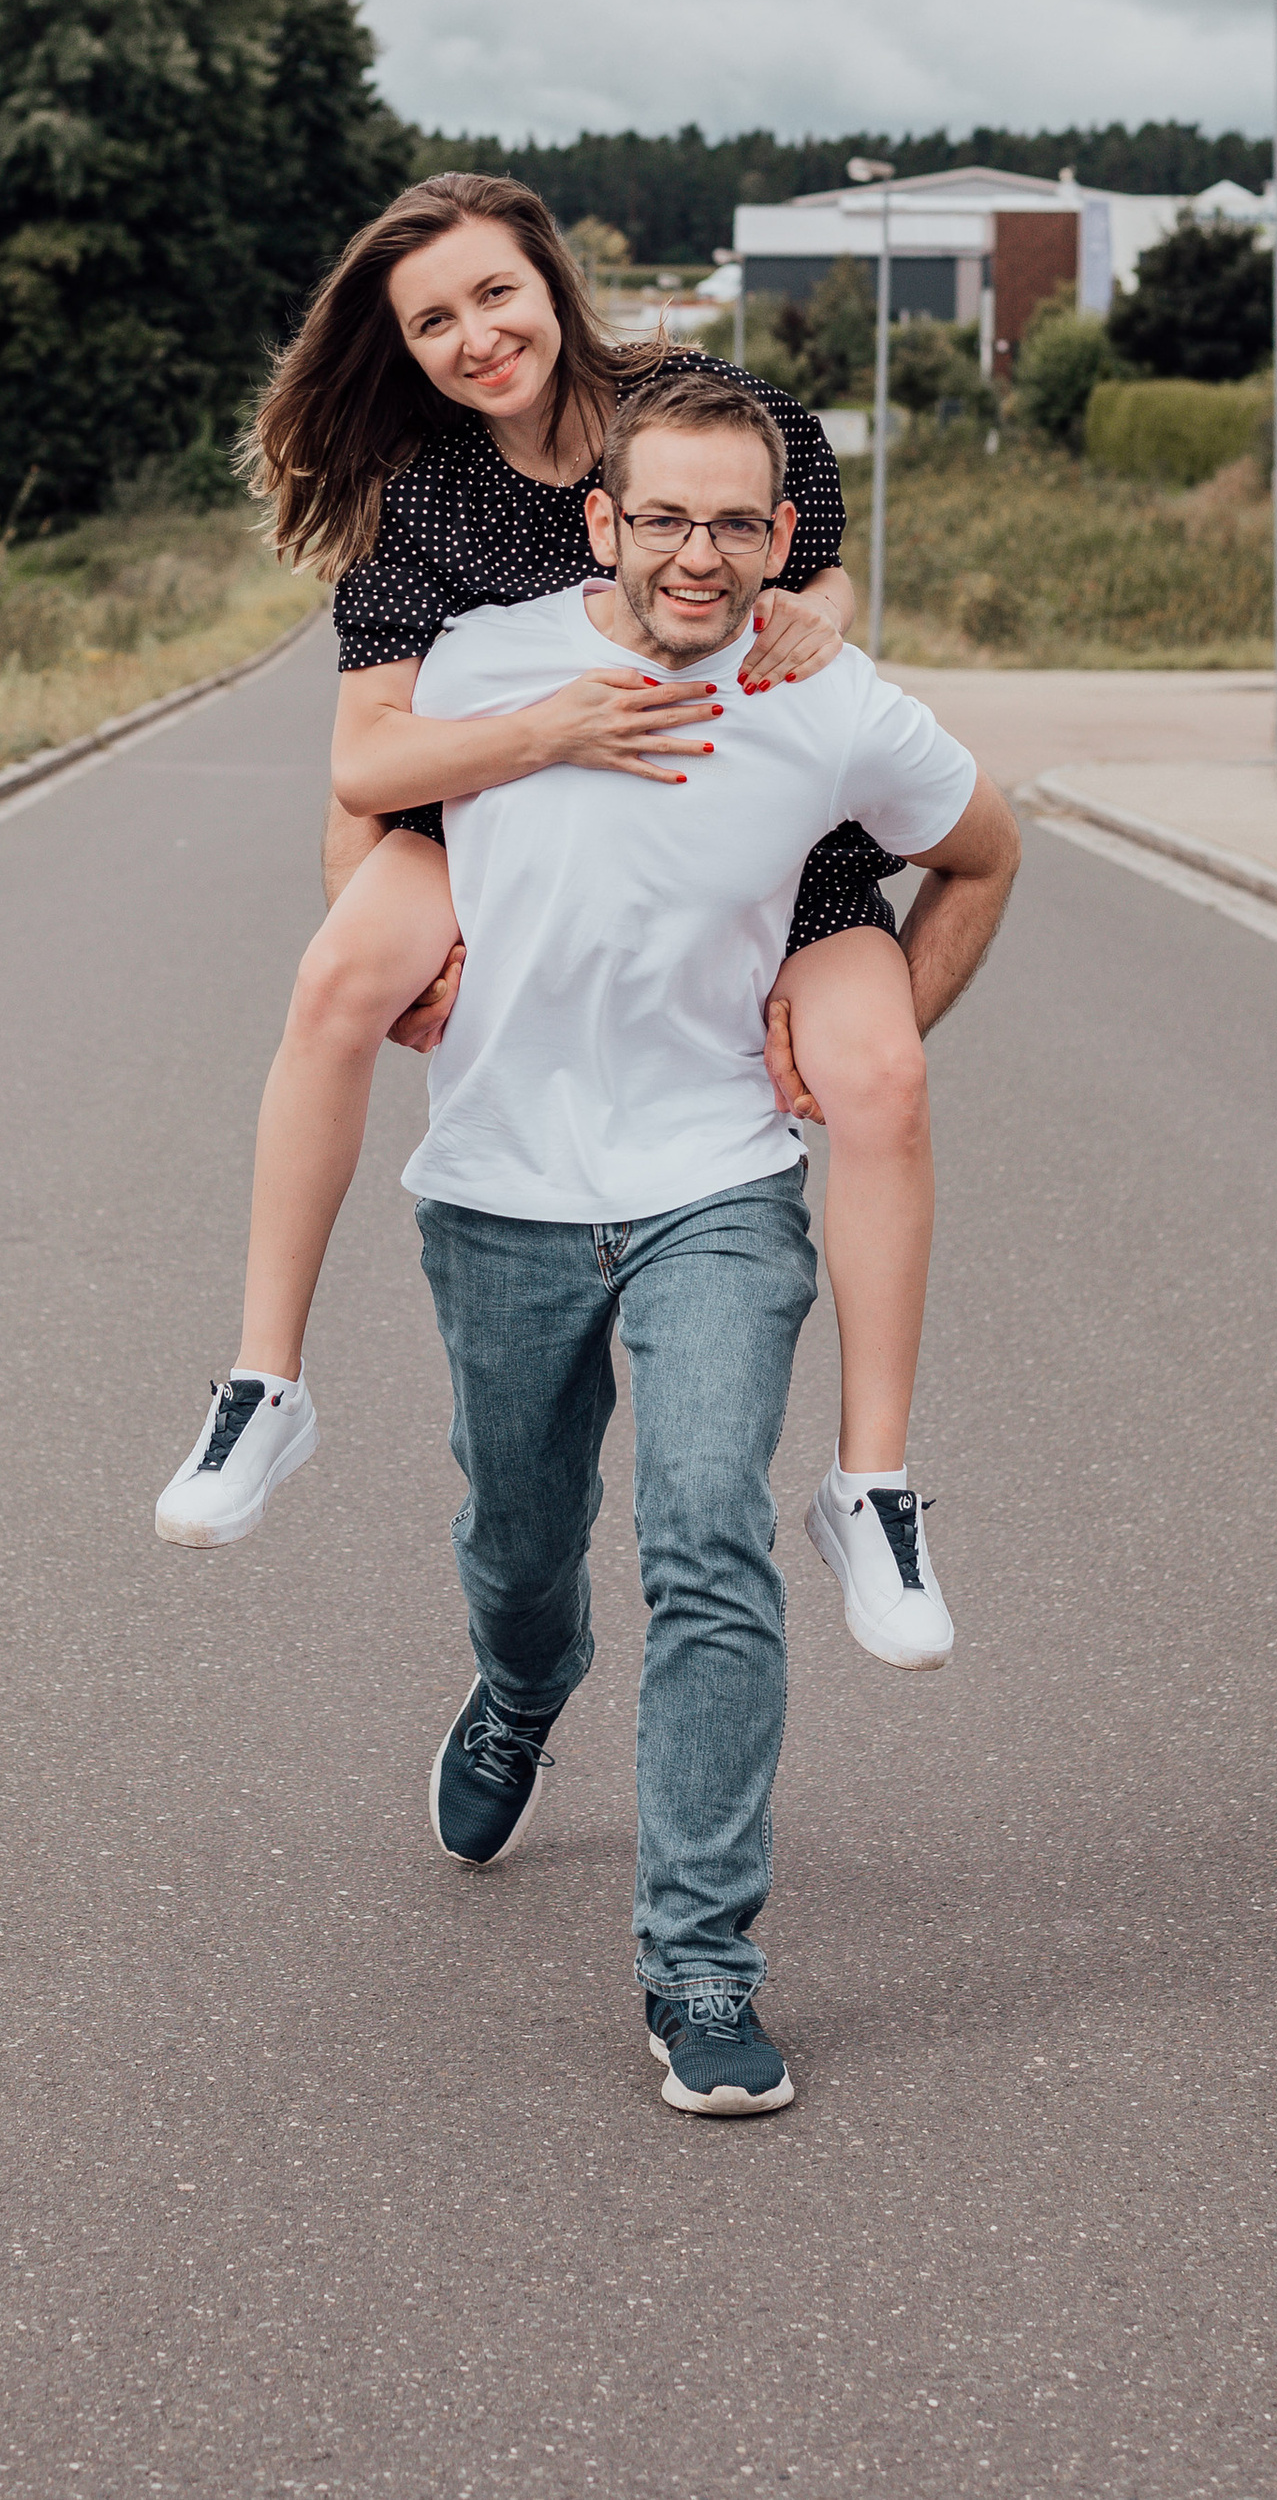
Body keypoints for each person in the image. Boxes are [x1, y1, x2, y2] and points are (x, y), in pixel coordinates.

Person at [155, 175, 964, 1657]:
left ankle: (876, 1486)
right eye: (433, 321)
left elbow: (820, 589)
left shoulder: (720, 411)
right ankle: (262, 1386)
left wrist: (823, 610)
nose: (475, 336)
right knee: (338, 980)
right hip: (505, 819)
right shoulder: (429, 496)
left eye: (495, 294)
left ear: (555, 280)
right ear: (400, 348)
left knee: (883, 1074)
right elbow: (368, 760)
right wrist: (544, 737)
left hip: (746, 835)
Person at [404, 362, 1020, 2113]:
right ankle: (523, 1688)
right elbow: (373, 813)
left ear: (779, 540)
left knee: (704, 1537)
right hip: (501, 1188)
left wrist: (872, 1024)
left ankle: (702, 1963)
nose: (698, 553)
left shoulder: (828, 700)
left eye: (735, 524)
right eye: (662, 516)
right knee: (520, 1544)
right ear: (602, 520)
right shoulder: (486, 663)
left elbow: (987, 853)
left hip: (716, 1186)